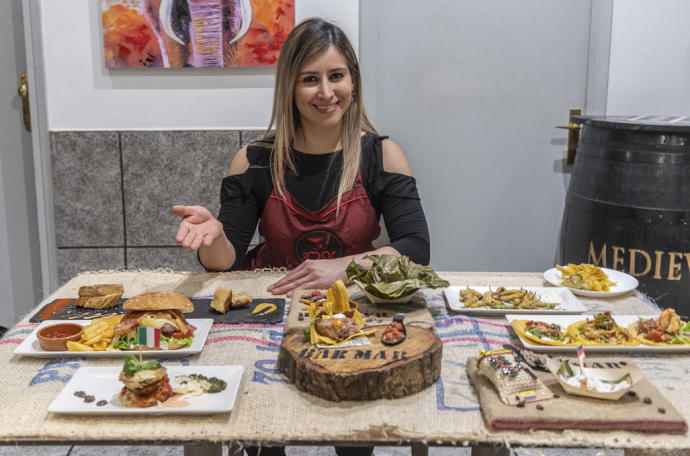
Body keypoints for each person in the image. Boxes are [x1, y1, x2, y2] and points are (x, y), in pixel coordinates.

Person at [173, 17, 431, 456]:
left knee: (352, 435)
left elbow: (416, 250)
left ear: (353, 79)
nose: (327, 93)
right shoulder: (253, 160)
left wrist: (343, 266)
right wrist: (214, 235)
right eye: (310, 79)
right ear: (289, 87)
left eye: (337, 76)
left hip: (352, 319)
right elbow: (227, 263)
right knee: (263, 428)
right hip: (269, 315)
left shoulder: (380, 154)